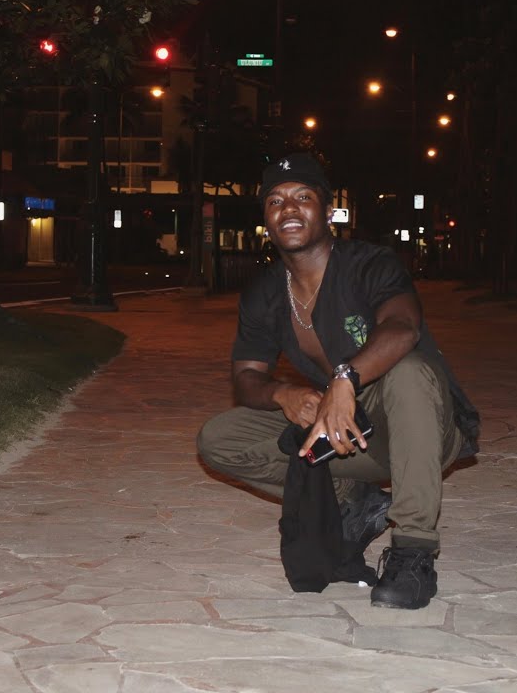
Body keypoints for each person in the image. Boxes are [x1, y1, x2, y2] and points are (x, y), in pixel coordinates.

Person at [197, 152, 479, 609]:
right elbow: (246, 378)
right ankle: (355, 499)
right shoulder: (264, 293)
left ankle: (413, 550)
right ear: (266, 219)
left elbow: (402, 327)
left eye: (303, 197)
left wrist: (344, 379)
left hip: (420, 426)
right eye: (275, 201)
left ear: (328, 211)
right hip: (351, 439)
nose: (289, 209)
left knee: (409, 371)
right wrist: (284, 393)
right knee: (220, 439)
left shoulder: (370, 264)